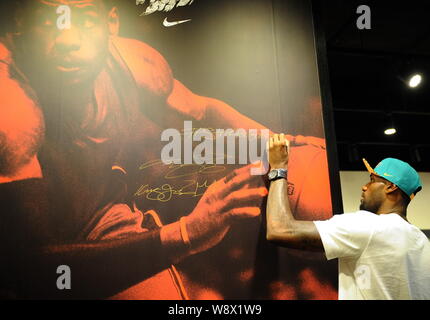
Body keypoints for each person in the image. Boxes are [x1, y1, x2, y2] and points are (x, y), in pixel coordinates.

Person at [0, 0, 332, 299]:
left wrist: (280, 141)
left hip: (102, 213)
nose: (69, 39)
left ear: (111, 24)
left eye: (86, 20)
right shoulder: (12, 108)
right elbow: (31, 268)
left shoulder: (133, 62)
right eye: (49, 21)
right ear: (20, 27)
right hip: (50, 250)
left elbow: (202, 110)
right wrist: (187, 233)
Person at [266, 133, 430, 300]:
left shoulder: (370, 226)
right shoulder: (422, 243)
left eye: (372, 180)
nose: (364, 187)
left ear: (390, 187)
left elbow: (280, 230)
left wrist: (278, 168)